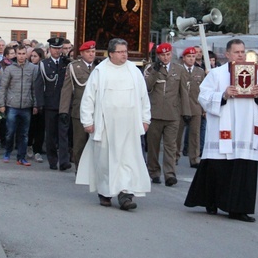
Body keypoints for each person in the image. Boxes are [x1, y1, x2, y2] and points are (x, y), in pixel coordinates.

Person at [184, 38, 258, 222]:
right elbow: (204, 96)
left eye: (243, 52)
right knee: (218, 167)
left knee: (243, 168)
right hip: (223, 127)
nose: (240, 55)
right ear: (227, 54)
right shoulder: (216, 74)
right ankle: (212, 201)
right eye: (236, 52)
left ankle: (238, 209)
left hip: (245, 129)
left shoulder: (255, 74)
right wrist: (223, 95)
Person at [75, 38, 151, 210]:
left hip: (129, 125)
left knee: (127, 160)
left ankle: (126, 195)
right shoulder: (100, 72)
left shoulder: (134, 71)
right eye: (120, 52)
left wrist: (145, 119)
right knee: (105, 162)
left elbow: (143, 97)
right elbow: (89, 98)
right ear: (111, 53)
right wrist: (87, 120)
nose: (124, 55)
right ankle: (105, 192)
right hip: (106, 125)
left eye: (126, 51)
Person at [144, 42, 190, 186]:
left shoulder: (179, 69)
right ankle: (154, 172)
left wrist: (186, 112)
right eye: (162, 55)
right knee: (153, 146)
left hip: (173, 114)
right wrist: (155, 71)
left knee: (171, 146)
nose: (165, 57)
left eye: (168, 54)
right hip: (155, 113)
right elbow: (147, 87)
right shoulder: (151, 68)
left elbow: (184, 92)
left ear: (172, 54)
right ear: (158, 55)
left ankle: (170, 174)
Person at [59, 40, 97, 171]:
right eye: (88, 52)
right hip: (79, 109)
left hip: (97, 110)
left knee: (96, 142)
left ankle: (93, 169)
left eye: (93, 51)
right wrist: (63, 111)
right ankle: (80, 169)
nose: (91, 54)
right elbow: (67, 89)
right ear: (82, 53)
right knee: (79, 142)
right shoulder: (74, 67)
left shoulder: (99, 67)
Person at [0, 46, 39, 166]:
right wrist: (1, 104)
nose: (21, 56)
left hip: (26, 105)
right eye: (19, 53)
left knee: (24, 134)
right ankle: (7, 152)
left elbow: (34, 88)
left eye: (23, 53)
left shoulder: (32, 68)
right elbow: (3, 87)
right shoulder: (10, 69)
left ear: (26, 54)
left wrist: (35, 104)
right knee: (10, 131)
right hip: (12, 105)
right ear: (16, 54)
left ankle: (21, 157)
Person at [37, 37, 72, 171]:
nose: (57, 51)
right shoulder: (44, 64)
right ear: (50, 49)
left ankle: (64, 161)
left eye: (59, 48)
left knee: (63, 134)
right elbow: (39, 85)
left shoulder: (67, 63)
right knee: (51, 135)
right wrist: (40, 104)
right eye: (55, 48)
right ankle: (53, 160)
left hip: (64, 104)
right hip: (50, 104)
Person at [176, 47, 205, 168]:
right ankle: (175, 156)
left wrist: (204, 109)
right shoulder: (178, 70)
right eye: (189, 56)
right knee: (177, 135)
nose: (191, 59)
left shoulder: (200, 72)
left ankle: (194, 158)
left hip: (195, 106)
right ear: (183, 58)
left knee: (195, 134)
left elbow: (203, 91)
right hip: (180, 107)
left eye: (193, 57)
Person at [26, 47, 46, 162]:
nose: (33, 58)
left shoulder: (43, 68)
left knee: (40, 127)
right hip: (31, 101)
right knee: (30, 127)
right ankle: (29, 145)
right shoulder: (29, 68)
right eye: (32, 56)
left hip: (42, 101)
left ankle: (37, 150)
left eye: (35, 56)